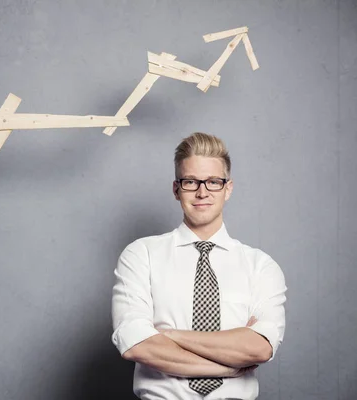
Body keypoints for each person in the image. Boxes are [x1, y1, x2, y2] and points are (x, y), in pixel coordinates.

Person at [111, 132, 286, 399]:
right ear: (176, 189)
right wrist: (227, 366)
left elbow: (259, 348)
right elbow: (136, 345)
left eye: (214, 182)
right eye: (191, 181)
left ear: (228, 188)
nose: (202, 192)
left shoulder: (260, 266)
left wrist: (169, 335)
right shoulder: (141, 255)